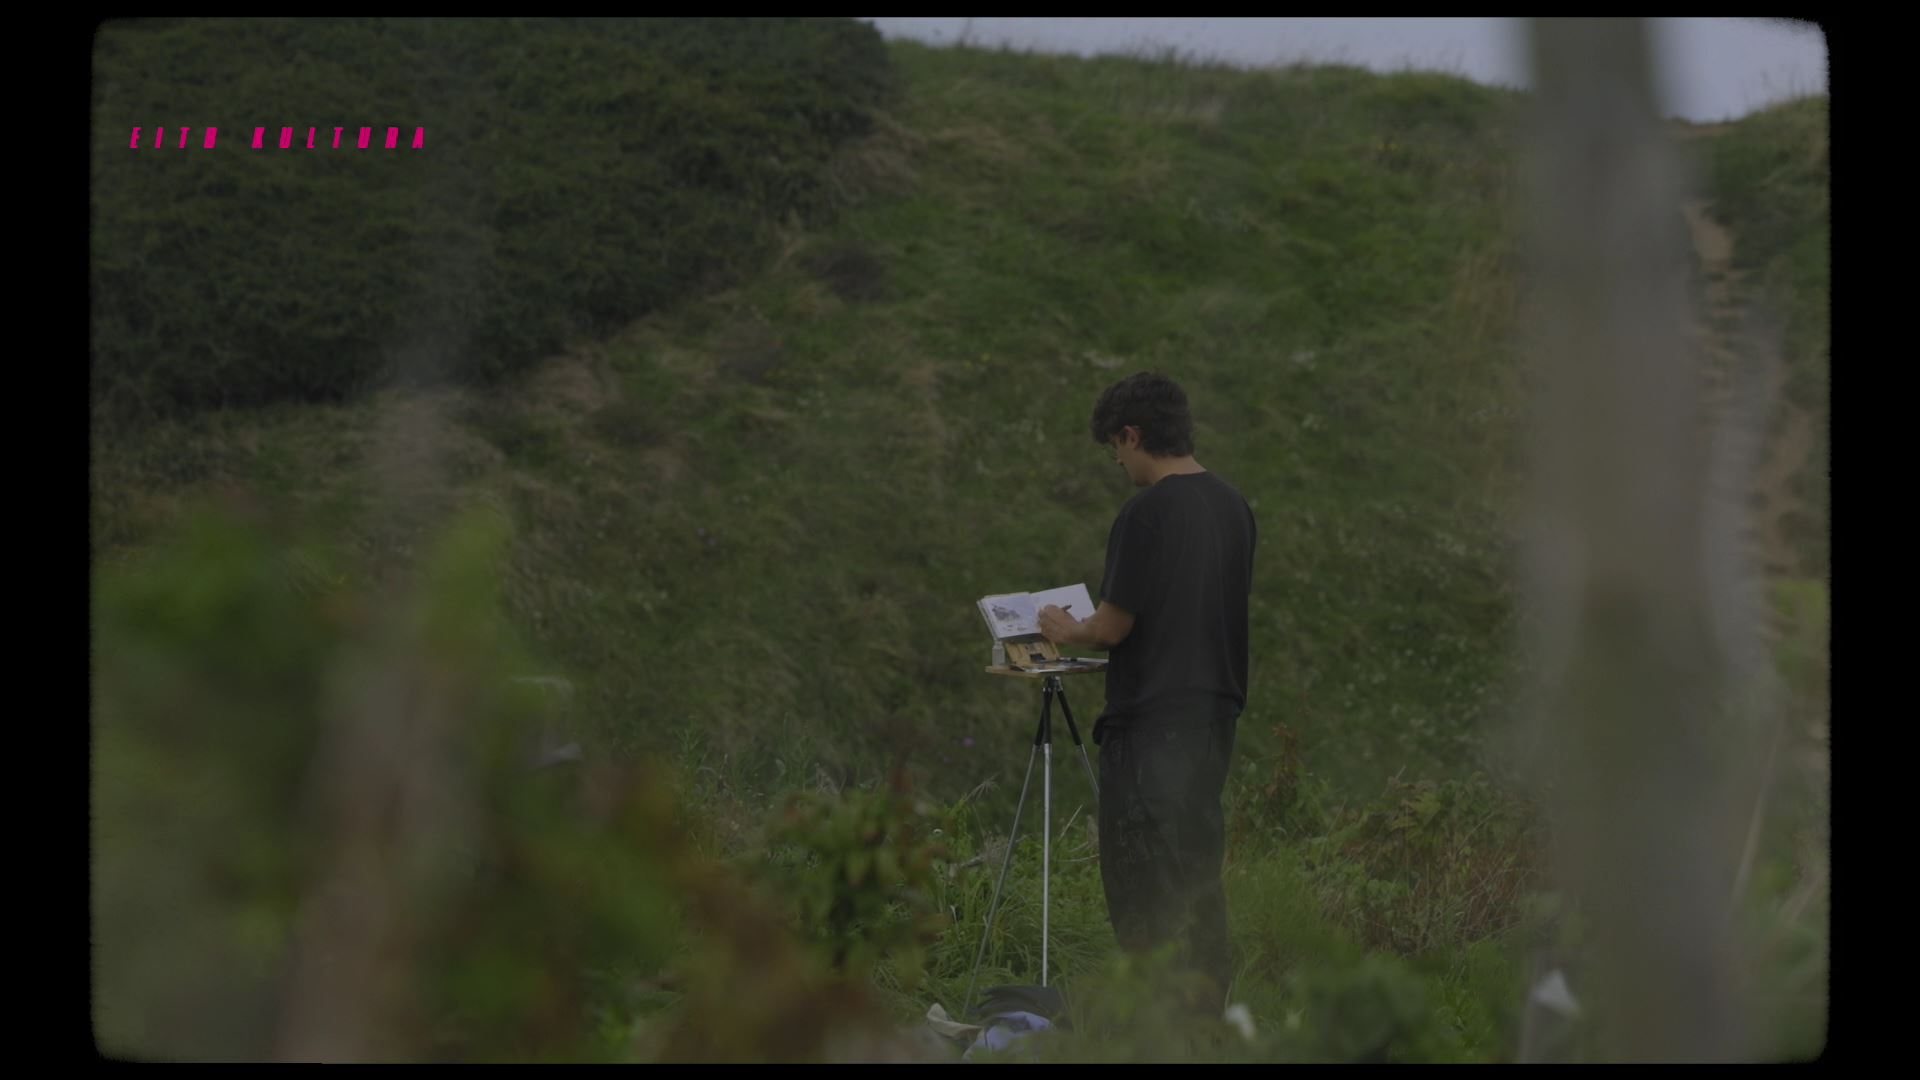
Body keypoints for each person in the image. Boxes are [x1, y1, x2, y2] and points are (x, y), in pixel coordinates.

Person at [1036, 371, 1257, 1017]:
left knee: (1142, 881)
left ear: (1132, 435)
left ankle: (1155, 1024)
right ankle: (1206, 1016)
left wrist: (1064, 628)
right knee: (1196, 869)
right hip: (1213, 717)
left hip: (1152, 723)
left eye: (1115, 447)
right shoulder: (1232, 505)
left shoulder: (1146, 513)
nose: (1118, 462)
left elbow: (1112, 627)